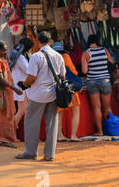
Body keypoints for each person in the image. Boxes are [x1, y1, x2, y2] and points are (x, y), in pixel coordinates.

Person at [15, 31, 65, 161]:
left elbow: (31, 77)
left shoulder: (36, 57)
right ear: (51, 41)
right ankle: (49, 154)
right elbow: (62, 76)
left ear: (37, 41)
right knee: (52, 124)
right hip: (53, 94)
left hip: (37, 94)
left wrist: (24, 84)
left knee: (31, 122)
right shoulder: (59, 56)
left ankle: (31, 152)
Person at [0, 40, 23, 148]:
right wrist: (14, 88)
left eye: (6, 49)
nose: (5, 52)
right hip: (2, 92)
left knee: (3, 114)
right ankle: (2, 138)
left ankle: (1, 138)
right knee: (3, 115)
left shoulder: (0, 60)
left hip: (3, 91)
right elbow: (0, 78)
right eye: (3, 50)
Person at [81, 34, 114, 136]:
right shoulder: (105, 50)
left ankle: (100, 131)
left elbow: (84, 70)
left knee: (97, 108)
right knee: (107, 108)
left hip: (92, 81)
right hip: (105, 80)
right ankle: (112, 129)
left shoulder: (86, 53)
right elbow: (111, 62)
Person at [53, 42, 81, 142]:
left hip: (59, 87)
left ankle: (59, 135)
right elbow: (74, 72)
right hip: (70, 87)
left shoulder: (51, 59)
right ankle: (73, 135)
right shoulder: (65, 57)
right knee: (76, 111)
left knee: (59, 112)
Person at [10, 38, 35, 129]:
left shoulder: (19, 56)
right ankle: (11, 131)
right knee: (22, 110)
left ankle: (13, 131)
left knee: (22, 110)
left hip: (20, 86)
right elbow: (29, 70)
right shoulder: (21, 58)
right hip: (21, 87)